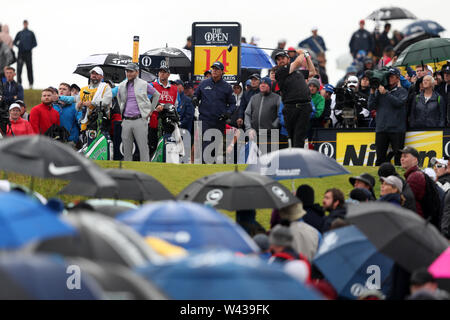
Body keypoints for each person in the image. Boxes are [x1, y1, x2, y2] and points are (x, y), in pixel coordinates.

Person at [117, 63, 161, 162]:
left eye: (131, 71)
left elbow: (156, 94)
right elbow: (120, 99)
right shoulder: (122, 85)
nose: (128, 73)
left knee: (143, 148)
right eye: (127, 71)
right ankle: (127, 173)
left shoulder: (144, 84)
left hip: (140, 119)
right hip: (126, 120)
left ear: (137, 72)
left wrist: (151, 110)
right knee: (126, 149)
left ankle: (145, 170)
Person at [193, 61, 236, 161]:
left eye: (217, 69)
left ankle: (212, 169)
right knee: (206, 145)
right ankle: (205, 167)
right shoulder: (204, 83)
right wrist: (194, 99)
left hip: (219, 121)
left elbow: (233, 103)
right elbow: (196, 95)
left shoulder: (227, 87)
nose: (214, 71)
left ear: (222, 72)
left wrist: (228, 113)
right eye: (213, 69)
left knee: (215, 147)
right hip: (205, 120)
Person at [274, 49, 315, 148]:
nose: (280, 61)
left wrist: (307, 56)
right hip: (290, 108)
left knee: (299, 136)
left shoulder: (298, 72)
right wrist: (302, 53)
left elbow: (312, 72)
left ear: (288, 59)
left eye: (283, 58)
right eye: (278, 59)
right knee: (293, 137)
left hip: (304, 107)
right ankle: (295, 159)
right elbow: (298, 62)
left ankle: (298, 161)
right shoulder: (280, 72)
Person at [368, 67, 408, 166]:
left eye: (392, 76)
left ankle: (399, 180)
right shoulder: (379, 91)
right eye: (388, 76)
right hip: (381, 129)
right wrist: (372, 92)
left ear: (398, 78)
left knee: (398, 159)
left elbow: (398, 103)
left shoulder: (402, 91)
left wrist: (385, 93)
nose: (389, 78)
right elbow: (370, 106)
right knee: (380, 159)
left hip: (397, 130)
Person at [244, 77, 282, 153]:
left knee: (269, 161)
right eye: (261, 83)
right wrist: (249, 129)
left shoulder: (277, 98)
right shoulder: (254, 98)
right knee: (254, 161)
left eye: (265, 83)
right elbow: (247, 114)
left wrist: (273, 126)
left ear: (269, 86)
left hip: (270, 136)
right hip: (255, 135)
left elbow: (280, 115)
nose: (262, 85)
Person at [77, 66, 112, 137]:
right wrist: (78, 106)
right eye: (92, 74)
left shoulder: (105, 87)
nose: (94, 76)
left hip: (100, 123)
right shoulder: (83, 89)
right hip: (85, 124)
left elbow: (106, 101)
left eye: (97, 74)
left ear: (102, 76)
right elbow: (78, 108)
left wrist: (92, 103)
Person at [400, 147, 427, 218]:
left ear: (415, 160)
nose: (402, 159)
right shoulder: (413, 175)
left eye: (405, 156)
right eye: (401, 156)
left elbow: (407, 201)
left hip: (416, 219)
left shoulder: (415, 177)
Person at [13, 20, 37, 88]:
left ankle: (31, 84)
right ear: (23, 24)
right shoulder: (20, 33)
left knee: (29, 68)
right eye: (24, 23)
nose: (25, 25)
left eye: (26, 23)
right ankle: (19, 84)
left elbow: (35, 43)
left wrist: (29, 47)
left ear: (27, 24)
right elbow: (14, 42)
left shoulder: (31, 33)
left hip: (28, 53)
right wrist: (19, 46)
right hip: (20, 53)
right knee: (19, 69)